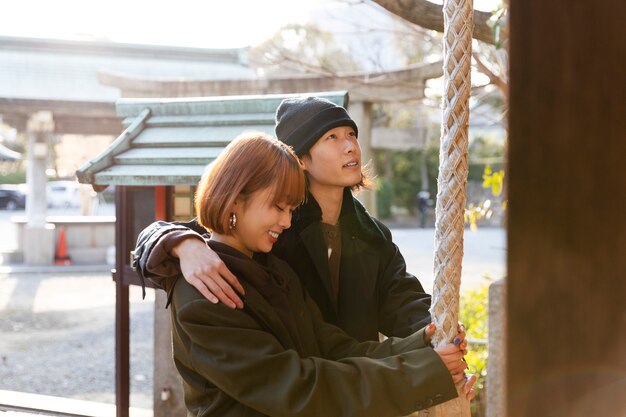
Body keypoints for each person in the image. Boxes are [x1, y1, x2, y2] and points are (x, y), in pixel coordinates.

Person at [139, 132, 475, 416]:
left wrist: (423, 345)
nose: (286, 222)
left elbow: (333, 348)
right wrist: (422, 373)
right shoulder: (204, 292)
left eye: (291, 209)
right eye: (277, 207)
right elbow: (297, 386)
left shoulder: (275, 269)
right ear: (235, 197)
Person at [134, 96, 438, 343]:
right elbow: (175, 233)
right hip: (296, 385)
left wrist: (437, 334)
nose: (350, 146)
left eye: (351, 134)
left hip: (359, 383)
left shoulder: (373, 234)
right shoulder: (272, 224)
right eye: (332, 137)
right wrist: (184, 244)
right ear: (301, 159)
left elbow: (400, 300)